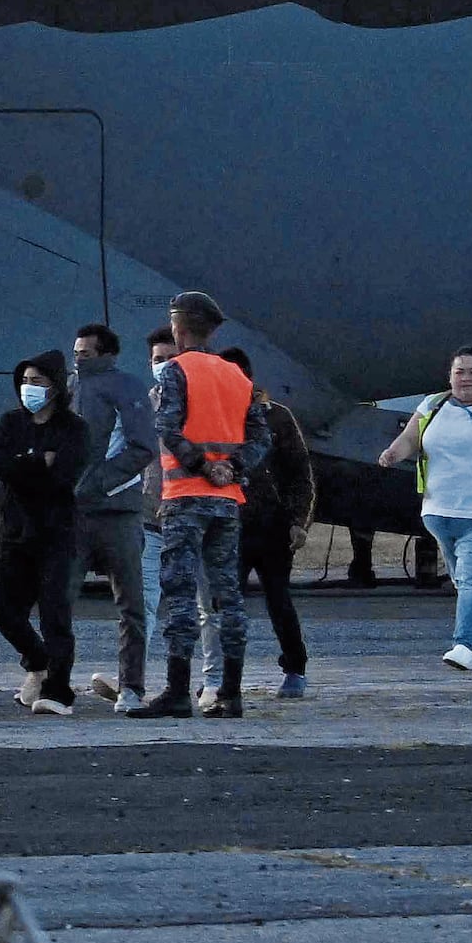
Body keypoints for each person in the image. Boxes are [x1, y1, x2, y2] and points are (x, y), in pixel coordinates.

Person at [139, 292, 258, 718]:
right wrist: (232, 469)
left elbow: (166, 427)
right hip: (226, 501)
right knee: (227, 597)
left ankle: (176, 690)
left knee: (180, 593)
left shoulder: (175, 370)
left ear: (178, 328)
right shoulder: (236, 376)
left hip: (184, 497)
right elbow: (260, 435)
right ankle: (231, 691)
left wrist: (201, 467)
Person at [379, 353, 472, 677]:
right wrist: (393, 453)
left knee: (471, 577)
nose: (466, 378)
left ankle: (463, 644)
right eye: (460, 372)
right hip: (439, 511)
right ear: (449, 376)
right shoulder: (432, 406)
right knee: (464, 581)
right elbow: (409, 440)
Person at [0, 357, 89, 713]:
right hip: (14, 530)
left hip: (56, 532)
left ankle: (59, 690)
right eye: (25, 379)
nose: (30, 387)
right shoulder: (10, 423)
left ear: (55, 386)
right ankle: (38, 659)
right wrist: (37, 461)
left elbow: (64, 476)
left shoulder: (73, 428)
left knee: (55, 613)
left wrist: (21, 466)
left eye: (38, 380)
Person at [66, 322, 161, 710]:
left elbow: (142, 448)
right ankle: (54, 683)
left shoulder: (126, 388)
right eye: (76, 352)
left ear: (106, 354)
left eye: (85, 353)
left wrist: (97, 484)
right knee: (58, 599)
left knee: (131, 604)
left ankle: (131, 687)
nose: (78, 358)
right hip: (74, 514)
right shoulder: (69, 388)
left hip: (119, 511)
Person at [230, 350, 315, 701]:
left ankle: (295, 667)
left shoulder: (276, 417)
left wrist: (298, 521)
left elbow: (300, 473)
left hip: (272, 523)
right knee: (223, 602)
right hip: (228, 523)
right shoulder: (213, 416)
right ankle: (223, 672)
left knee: (278, 599)